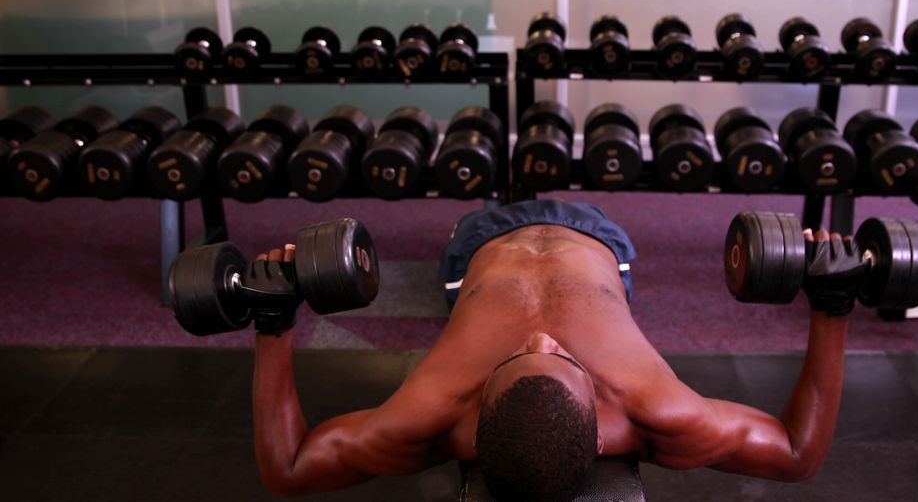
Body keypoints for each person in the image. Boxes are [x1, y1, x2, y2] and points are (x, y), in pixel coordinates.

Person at [248, 200, 861, 501]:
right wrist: (832, 308)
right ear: (602, 432)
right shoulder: (660, 411)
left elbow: (290, 469)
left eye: (516, 355)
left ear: (475, 423)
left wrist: (272, 322)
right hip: (595, 235)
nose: (541, 336)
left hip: (478, 246)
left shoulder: (424, 416)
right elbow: (797, 453)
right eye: (562, 356)